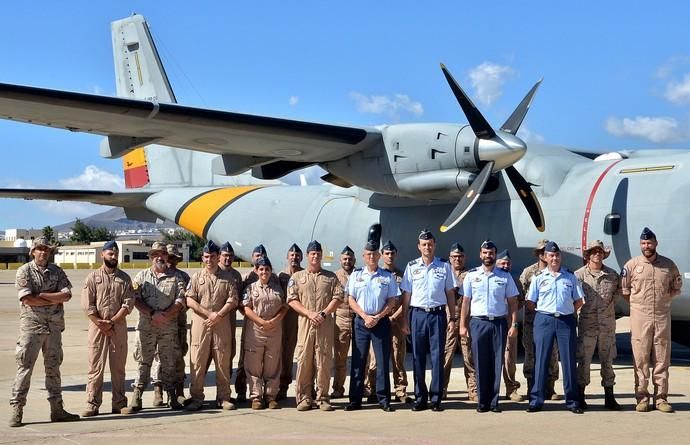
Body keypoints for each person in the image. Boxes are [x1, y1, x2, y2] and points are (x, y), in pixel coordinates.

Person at [10, 237, 79, 427]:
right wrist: (53, 298)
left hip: (54, 327)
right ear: (32, 252)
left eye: (46, 250)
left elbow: (67, 294)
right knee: (25, 367)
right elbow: (27, 300)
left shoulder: (56, 271)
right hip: (32, 326)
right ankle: (17, 410)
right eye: (39, 249)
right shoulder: (24, 271)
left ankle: (57, 410)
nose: (43, 252)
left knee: (54, 368)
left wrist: (41, 295)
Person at [621, 227, 682, 413]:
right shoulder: (631, 266)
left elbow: (676, 288)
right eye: (643, 243)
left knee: (662, 357)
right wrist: (640, 306)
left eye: (649, 243)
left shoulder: (668, 265)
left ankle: (661, 398)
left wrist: (663, 302)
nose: (646, 246)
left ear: (656, 243)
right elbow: (625, 291)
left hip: (662, 315)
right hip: (640, 316)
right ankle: (642, 398)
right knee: (640, 357)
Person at [122, 241, 186, 414]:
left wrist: (166, 315)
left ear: (167, 257)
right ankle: (137, 396)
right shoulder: (141, 277)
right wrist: (152, 314)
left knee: (169, 362)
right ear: (151, 257)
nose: (160, 257)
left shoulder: (176, 277)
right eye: (156, 254)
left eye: (163, 254)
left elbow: (180, 301)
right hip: (146, 327)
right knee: (144, 361)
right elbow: (136, 299)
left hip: (168, 327)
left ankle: (172, 396)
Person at [401, 229, 457, 412]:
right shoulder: (411, 267)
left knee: (437, 357)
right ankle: (420, 397)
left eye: (430, 244)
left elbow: (450, 293)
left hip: (437, 315)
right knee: (417, 358)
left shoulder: (444, 266)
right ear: (419, 247)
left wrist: (452, 318)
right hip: (417, 315)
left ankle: (436, 398)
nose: (427, 247)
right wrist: (404, 320)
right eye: (424, 244)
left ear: (435, 246)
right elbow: (407, 295)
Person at [525, 241, 584, 414]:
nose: (555, 258)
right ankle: (536, 401)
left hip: (565, 321)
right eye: (551, 255)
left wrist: (566, 311)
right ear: (545, 257)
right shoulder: (538, 278)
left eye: (557, 255)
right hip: (544, 320)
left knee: (568, 361)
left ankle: (572, 402)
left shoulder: (570, 277)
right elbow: (530, 302)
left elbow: (579, 300)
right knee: (541, 360)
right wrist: (546, 313)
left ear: (560, 257)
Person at [460, 241, 519, 413]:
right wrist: (462, 325)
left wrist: (514, 324)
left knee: (496, 363)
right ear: (480, 254)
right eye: (485, 253)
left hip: (498, 322)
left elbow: (513, 302)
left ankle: (494, 402)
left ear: (495, 255)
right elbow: (465, 302)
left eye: (491, 253)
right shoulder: (471, 276)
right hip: (478, 323)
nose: (488, 256)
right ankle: (482, 401)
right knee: (480, 362)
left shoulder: (504, 276)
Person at [287, 240, 344, 411]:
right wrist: (309, 313)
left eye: (318, 254)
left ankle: (323, 397)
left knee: (324, 360)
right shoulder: (297, 277)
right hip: (306, 323)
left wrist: (324, 313)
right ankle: (304, 397)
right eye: (312, 254)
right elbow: (291, 300)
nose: (315, 256)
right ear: (307, 256)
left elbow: (338, 297)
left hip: (325, 323)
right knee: (304, 359)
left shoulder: (331, 277)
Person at [344, 236, 399, 412]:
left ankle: (384, 400)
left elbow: (392, 301)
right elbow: (350, 299)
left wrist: (378, 316)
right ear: (363, 256)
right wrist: (364, 316)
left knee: (382, 362)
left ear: (379, 256)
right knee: (358, 362)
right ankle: (355, 399)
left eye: (375, 254)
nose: (372, 257)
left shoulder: (387, 276)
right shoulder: (356, 275)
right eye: (369, 254)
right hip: (361, 322)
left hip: (381, 322)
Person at [80, 241, 135, 417]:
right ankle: (92, 403)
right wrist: (100, 323)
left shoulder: (125, 279)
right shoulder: (92, 277)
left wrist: (111, 322)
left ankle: (119, 403)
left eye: (116, 253)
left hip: (117, 327)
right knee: (95, 367)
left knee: (118, 367)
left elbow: (128, 304)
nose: (113, 257)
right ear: (102, 255)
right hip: (97, 329)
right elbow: (87, 305)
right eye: (110, 253)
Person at [185, 240, 239, 411]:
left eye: (213, 257)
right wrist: (208, 314)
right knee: (198, 360)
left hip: (221, 322)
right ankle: (196, 397)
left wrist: (219, 314)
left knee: (222, 360)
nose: (209, 260)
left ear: (218, 258)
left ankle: (223, 397)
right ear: (203, 258)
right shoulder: (196, 277)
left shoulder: (228, 278)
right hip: (201, 322)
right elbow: (189, 299)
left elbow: (233, 299)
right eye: (206, 257)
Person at [575, 240, 622, 410]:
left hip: (607, 326)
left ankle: (609, 397)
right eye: (594, 251)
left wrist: (606, 312)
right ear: (588, 255)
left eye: (600, 251)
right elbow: (575, 300)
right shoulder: (579, 275)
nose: (597, 254)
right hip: (587, 326)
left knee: (607, 361)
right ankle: (580, 396)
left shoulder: (612, 275)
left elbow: (617, 296)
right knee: (584, 361)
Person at [363, 240, 411, 404]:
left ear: (396, 255)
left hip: (396, 321)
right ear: (381, 255)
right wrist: (380, 317)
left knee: (398, 357)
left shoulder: (402, 275)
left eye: (392, 253)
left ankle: (400, 390)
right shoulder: (377, 273)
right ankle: (373, 390)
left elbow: (405, 300)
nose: (389, 256)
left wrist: (394, 317)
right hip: (378, 321)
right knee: (375, 359)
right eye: (386, 253)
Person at [242, 256, 288, 410]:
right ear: (256, 270)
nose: (264, 272)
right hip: (256, 329)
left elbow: (284, 306)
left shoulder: (277, 288)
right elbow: (246, 308)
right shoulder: (250, 288)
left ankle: (270, 396)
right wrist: (261, 322)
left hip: (274, 329)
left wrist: (275, 320)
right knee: (254, 364)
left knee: (272, 364)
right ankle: (256, 397)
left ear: (271, 271)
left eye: (267, 269)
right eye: (261, 269)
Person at [519, 239, 560, 399]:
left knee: (552, 354)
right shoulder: (529, 273)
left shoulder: (557, 271)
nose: (544, 254)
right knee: (530, 354)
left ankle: (550, 387)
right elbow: (521, 295)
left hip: (550, 322)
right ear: (538, 254)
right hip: (532, 322)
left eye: (547, 251)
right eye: (542, 251)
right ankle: (531, 386)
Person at [150, 244, 190, 407]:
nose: (172, 262)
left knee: (179, 356)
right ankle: (158, 390)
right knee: (159, 357)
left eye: (175, 258)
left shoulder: (183, 277)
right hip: (161, 323)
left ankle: (179, 390)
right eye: (170, 258)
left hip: (178, 323)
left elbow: (187, 299)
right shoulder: (157, 275)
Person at [235, 244, 269, 403]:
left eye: (262, 255)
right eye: (256, 256)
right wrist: (250, 316)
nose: (259, 257)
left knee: (268, 360)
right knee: (245, 359)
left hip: (269, 327)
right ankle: (241, 390)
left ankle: (267, 392)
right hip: (250, 325)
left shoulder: (272, 277)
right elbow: (241, 303)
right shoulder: (247, 279)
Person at [442, 242, 476, 401]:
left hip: (466, 321)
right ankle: (441, 388)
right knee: (446, 357)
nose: (458, 259)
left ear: (465, 258)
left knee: (468, 357)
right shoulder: (443, 274)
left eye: (460, 257)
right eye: (455, 257)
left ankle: (473, 389)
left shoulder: (471, 275)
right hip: (448, 320)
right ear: (450, 258)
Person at [495, 249, 523, 402]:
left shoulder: (513, 280)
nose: (505, 266)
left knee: (509, 358)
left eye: (508, 263)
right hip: (492, 321)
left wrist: (510, 314)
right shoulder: (490, 278)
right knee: (490, 357)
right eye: (502, 263)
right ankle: (489, 389)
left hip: (508, 321)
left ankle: (511, 389)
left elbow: (521, 301)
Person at [277, 243, 304, 400]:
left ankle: (306, 388)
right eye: (292, 255)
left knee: (305, 354)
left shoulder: (305, 274)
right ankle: (283, 386)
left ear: (301, 257)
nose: (294, 257)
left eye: (297, 255)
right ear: (287, 257)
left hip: (302, 318)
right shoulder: (281, 276)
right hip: (286, 319)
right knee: (285, 354)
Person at [218, 241, 243, 400]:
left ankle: (224, 393)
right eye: (225, 255)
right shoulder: (211, 271)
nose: (228, 259)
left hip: (229, 322)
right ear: (219, 256)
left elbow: (239, 299)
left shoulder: (236, 276)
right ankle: (198, 394)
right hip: (211, 321)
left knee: (227, 356)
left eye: (231, 256)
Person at [332, 246, 356, 398]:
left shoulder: (360, 274)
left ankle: (364, 387)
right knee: (340, 358)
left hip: (358, 318)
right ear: (340, 261)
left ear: (354, 260)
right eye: (345, 259)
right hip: (340, 319)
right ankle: (338, 388)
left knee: (362, 358)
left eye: (350, 259)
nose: (347, 261)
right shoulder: (334, 277)